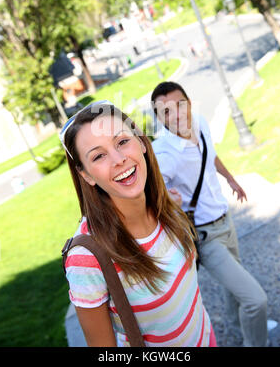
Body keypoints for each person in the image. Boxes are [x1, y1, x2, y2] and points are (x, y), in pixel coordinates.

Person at [59, 100, 217, 347]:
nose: (119, 159)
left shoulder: (166, 206)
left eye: (122, 141)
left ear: (142, 142)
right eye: (99, 156)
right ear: (86, 174)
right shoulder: (86, 259)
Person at [150, 81, 271, 348]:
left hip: (226, 221)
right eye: (166, 112)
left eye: (180, 105)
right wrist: (170, 200)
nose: (177, 115)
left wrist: (231, 180)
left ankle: (241, 328)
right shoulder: (163, 153)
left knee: (235, 286)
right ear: (159, 119)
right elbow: (152, 195)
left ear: (189, 102)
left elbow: (210, 155)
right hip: (205, 237)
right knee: (255, 300)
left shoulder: (200, 124)